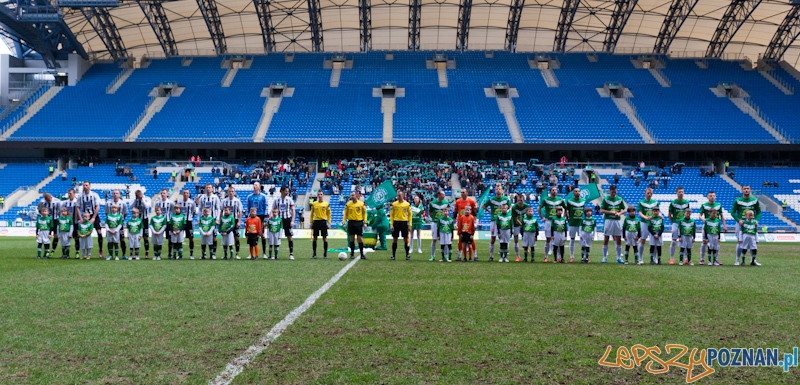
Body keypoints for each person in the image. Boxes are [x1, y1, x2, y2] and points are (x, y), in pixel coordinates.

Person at [731, 185, 760, 264]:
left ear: (750, 190)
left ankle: (752, 260)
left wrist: (756, 220)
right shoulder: (738, 200)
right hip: (741, 224)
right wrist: (738, 220)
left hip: (751, 224)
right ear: (742, 190)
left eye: (748, 189)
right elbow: (732, 213)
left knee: (752, 242)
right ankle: (737, 259)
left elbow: (759, 212)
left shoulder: (755, 200)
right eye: (744, 189)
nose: (746, 190)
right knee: (740, 242)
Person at [483, 184, 512, 261]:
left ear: (502, 190)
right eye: (496, 189)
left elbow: (510, 206)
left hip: (503, 221)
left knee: (503, 239)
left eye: (499, 189)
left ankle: (503, 256)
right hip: (494, 221)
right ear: (495, 190)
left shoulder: (506, 199)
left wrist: (507, 212)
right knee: (493, 239)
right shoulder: (492, 199)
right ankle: (491, 256)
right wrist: (489, 211)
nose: (498, 190)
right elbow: (483, 206)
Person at [539, 186, 566, 263]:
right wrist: (542, 218)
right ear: (550, 191)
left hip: (558, 222)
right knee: (548, 239)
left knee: (558, 240)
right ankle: (546, 256)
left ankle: (559, 257)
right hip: (549, 222)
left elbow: (566, 208)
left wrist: (563, 217)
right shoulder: (546, 200)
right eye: (553, 190)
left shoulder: (560, 200)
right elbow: (539, 208)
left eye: (555, 190)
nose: (554, 191)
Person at [699, 191, 726, 265]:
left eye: (714, 196)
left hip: (715, 226)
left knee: (717, 244)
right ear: (707, 197)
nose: (712, 197)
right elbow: (700, 215)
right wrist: (703, 219)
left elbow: (722, 215)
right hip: (707, 226)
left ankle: (716, 259)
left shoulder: (718, 205)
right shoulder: (704, 205)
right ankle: (702, 259)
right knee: (704, 242)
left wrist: (724, 225)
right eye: (710, 196)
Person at [600, 185, 626, 264]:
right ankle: (604, 257)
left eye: (615, 191)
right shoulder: (606, 199)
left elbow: (624, 209)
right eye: (612, 191)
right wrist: (611, 212)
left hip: (617, 221)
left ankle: (618, 257)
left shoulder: (619, 199)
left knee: (618, 238)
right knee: (606, 238)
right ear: (610, 191)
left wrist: (619, 213)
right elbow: (601, 210)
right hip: (608, 220)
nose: (614, 193)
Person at [78, 181, 103, 258]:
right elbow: (77, 207)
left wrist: (93, 218)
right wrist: (80, 218)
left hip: (93, 215)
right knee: (83, 234)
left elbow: (97, 206)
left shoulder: (94, 195)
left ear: (90, 186)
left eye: (86, 185)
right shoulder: (80, 196)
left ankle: (100, 250)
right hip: (85, 215)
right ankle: (83, 253)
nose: (85, 186)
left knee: (99, 232)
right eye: (84, 185)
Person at [197, 184, 222, 259]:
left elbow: (218, 209)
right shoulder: (202, 198)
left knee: (214, 237)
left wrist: (217, 219)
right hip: (204, 220)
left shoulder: (215, 197)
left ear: (212, 189)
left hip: (213, 220)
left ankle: (213, 254)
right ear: (205, 189)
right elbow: (200, 209)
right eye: (207, 187)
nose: (208, 189)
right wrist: (199, 219)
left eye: (209, 187)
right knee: (203, 236)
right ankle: (203, 254)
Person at [272, 186, 296, 260]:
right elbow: (273, 209)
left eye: (287, 191)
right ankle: (275, 254)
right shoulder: (277, 200)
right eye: (286, 191)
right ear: (281, 191)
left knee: (289, 236)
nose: (287, 192)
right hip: (279, 220)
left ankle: (291, 254)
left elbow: (293, 210)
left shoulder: (289, 200)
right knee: (276, 236)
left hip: (287, 219)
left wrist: (292, 220)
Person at [668, 187, 690, 264]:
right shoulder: (673, 203)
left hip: (684, 225)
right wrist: (673, 222)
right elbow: (669, 214)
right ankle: (671, 258)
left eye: (682, 192)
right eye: (679, 192)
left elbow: (688, 213)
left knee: (685, 242)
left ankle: (686, 259)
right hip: (676, 224)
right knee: (673, 241)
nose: (681, 193)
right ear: (676, 193)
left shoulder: (686, 202)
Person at [637, 187, 659, 264]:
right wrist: (646, 217)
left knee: (654, 241)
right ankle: (640, 258)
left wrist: (660, 215)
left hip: (653, 223)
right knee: (642, 240)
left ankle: (654, 257)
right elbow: (639, 213)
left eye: (651, 193)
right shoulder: (641, 202)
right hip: (644, 223)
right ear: (645, 193)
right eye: (648, 193)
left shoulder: (655, 202)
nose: (649, 194)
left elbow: (658, 212)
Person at [454, 189, 478, 261]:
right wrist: (455, 222)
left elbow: (474, 213)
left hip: (469, 224)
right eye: (461, 192)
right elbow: (455, 213)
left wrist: (475, 222)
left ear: (467, 193)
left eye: (463, 192)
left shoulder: (471, 201)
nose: (462, 193)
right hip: (461, 223)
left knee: (471, 239)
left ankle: (475, 255)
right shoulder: (458, 201)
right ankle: (460, 256)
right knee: (460, 239)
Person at [343, 191, 367, 260]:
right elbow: (345, 214)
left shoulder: (361, 204)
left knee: (360, 239)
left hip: (359, 223)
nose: (352, 196)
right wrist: (343, 222)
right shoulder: (348, 204)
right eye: (351, 195)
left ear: (357, 196)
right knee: (352, 239)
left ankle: (362, 254)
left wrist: (365, 222)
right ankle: (352, 254)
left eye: (353, 195)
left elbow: (364, 214)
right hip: (351, 223)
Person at [106, 189, 129, 260]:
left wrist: (120, 220)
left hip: (119, 224)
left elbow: (125, 213)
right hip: (111, 225)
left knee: (122, 239)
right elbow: (107, 213)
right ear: (112, 195)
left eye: (117, 193)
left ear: (119, 195)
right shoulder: (108, 203)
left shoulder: (123, 203)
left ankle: (123, 254)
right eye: (114, 193)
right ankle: (110, 255)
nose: (115, 194)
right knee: (110, 240)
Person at [221, 187, 243, 260]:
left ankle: (237, 254)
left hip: (235, 220)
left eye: (232, 191)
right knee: (226, 237)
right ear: (228, 192)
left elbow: (240, 211)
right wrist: (220, 220)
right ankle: (225, 254)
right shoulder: (224, 201)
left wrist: (239, 221)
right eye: (229, 191)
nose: (231, 193)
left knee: (236, 237)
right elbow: (221, 211)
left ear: (234, 192)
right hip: (226, 221)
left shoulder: (237, 201)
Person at [389, 191, 412, 261]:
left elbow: (410, 215)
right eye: (398, 195)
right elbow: (391, 215)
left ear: (403, 195)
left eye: (400, 195)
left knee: (406, 239)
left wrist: (410, 225)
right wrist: (391, 225)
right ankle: (393, 255)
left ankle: (407, 255)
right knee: (395, 239)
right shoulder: (394, 204)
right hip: (396, 222)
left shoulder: (407, 204)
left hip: (404, 222)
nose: (399, 197)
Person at [428, 190, 449, 261]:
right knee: (434, 240)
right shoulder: (432, 203)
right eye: (443, 194)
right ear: (439, 195)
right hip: (435, 223)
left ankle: (445, 256)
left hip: (443, 224)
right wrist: (436, 219)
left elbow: (447, 213)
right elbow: (430, 213)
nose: (444, 196)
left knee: (445, 241)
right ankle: (432, 256)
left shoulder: (446, 203)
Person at [565, 187, 585, 263]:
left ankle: (584, 256)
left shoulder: (583, 201)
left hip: (580, 223)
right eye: (576, 191)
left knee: (583, 239)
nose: (577, 192)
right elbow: (567, 211)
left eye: (578, 191)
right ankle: (571, 256)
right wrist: (568, 218)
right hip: (572, 223)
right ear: (573, 193)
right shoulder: (570, 201)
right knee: (572, 239)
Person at [309, 190, 332, 259]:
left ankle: (325, 254)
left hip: (323, 222)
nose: (320, 196)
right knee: (315, 238)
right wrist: (311, 223)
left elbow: (329, 214)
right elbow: (311, 214)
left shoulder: (326, 204)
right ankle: (314, 254)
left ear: (323, 195)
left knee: (324, 238)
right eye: (318, 194)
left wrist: (329, 223)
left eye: (321, 194)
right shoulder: (314, 204)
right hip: (316, 222)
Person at [60, 188, 81, 258]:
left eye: (70, 193)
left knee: (76, 238)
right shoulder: (65, 202)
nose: (69, 195)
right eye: (68, 193)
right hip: (67, 223)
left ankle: (77, 252)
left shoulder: (77, 202)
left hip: (75, 223)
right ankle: (65, 254)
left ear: (74, 194)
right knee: (65, 238)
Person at [130, 190, 151, 259]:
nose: (138, 197)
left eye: (139, 195)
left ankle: (147, 253)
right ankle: (135, 253)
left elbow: (147, 206)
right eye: (137, 196)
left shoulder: (147, 198)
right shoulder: (134, 200)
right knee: (135, 237)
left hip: (145, 220)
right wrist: (136, 200)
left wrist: (142, 199)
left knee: (145, 237)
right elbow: (131, 207)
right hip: (137, 220)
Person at [177, 189, 197, 259]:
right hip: (181, 222)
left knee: (191, 238)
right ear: (182, 194)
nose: (185, 194)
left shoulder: (192, 202)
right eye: (184, 193)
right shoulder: (179, 202)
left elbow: (194, 211)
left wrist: (190, 217)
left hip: (189, 222)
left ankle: (191, 255)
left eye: (187, 193)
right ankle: (180, 254)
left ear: (189, 194)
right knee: (179, 238)